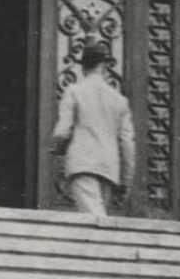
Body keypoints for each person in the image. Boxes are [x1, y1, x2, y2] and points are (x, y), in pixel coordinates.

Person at [50, 43, 136, 217]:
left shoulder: (74, 91)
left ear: (83, 67)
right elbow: (127, 144)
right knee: (98, 216)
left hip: (83, 163)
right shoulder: (119, 100)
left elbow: (62, 131)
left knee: (95, 222)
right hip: (109, 168)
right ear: (104, 66)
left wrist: (58, 149)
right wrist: (127, 179)